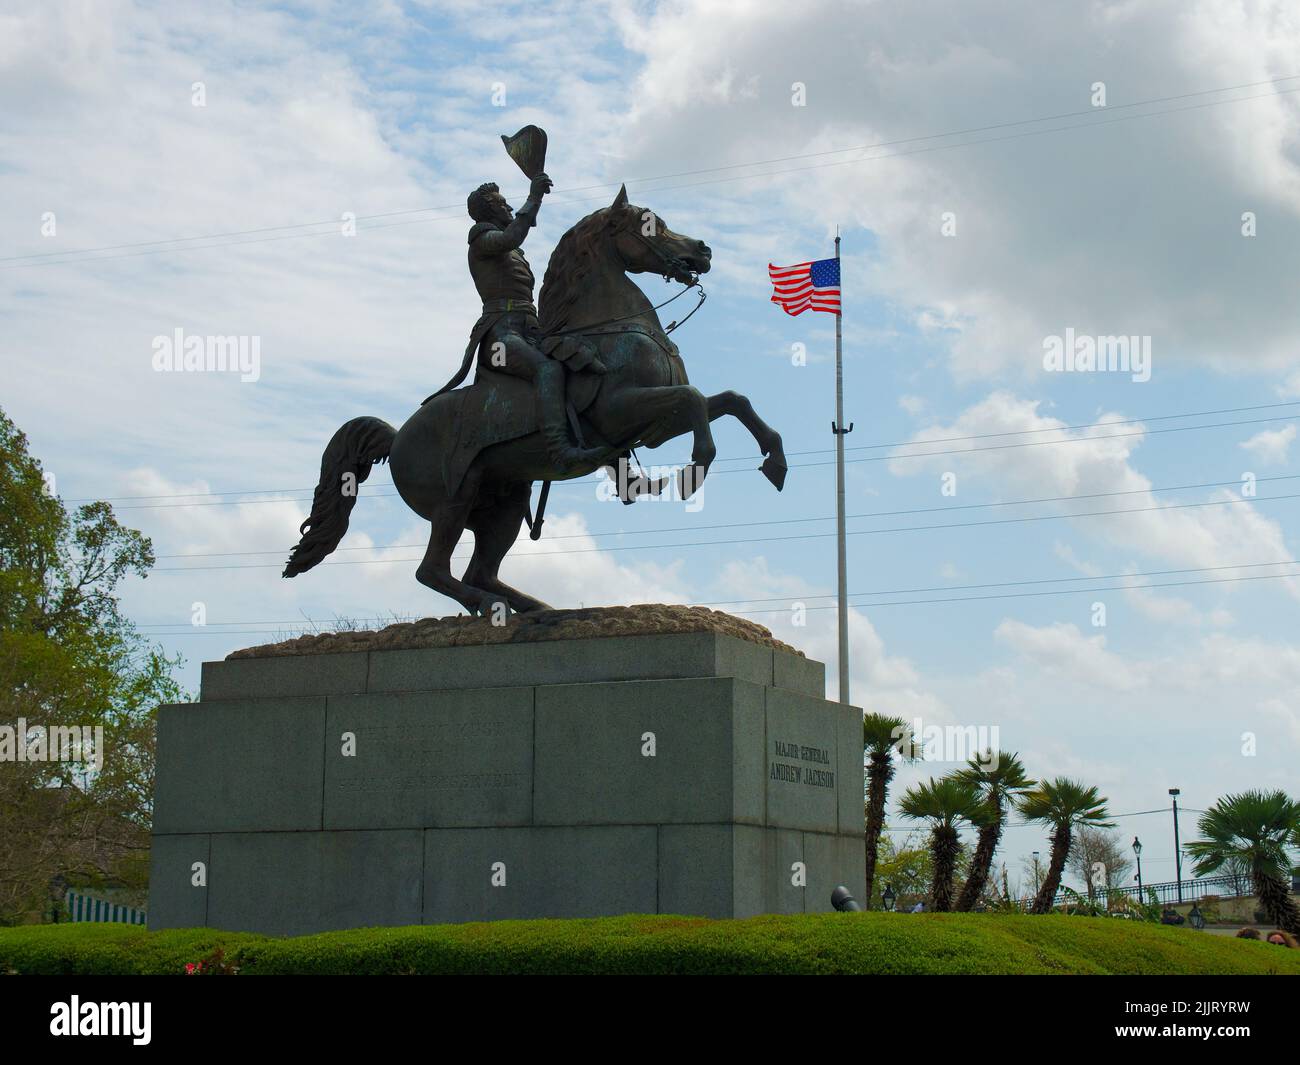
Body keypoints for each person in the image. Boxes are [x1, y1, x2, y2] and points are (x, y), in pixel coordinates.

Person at [430, 174, 606, 473]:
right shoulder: (483, 240)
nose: (509, 208)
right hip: (500, 335)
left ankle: (620, 465)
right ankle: (560, 450)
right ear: (487, 211)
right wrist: (534, 197)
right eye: (502, 204)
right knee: (548, 369)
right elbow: (512, 236)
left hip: (530, 329)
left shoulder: (509, 251)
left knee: (585, 360)